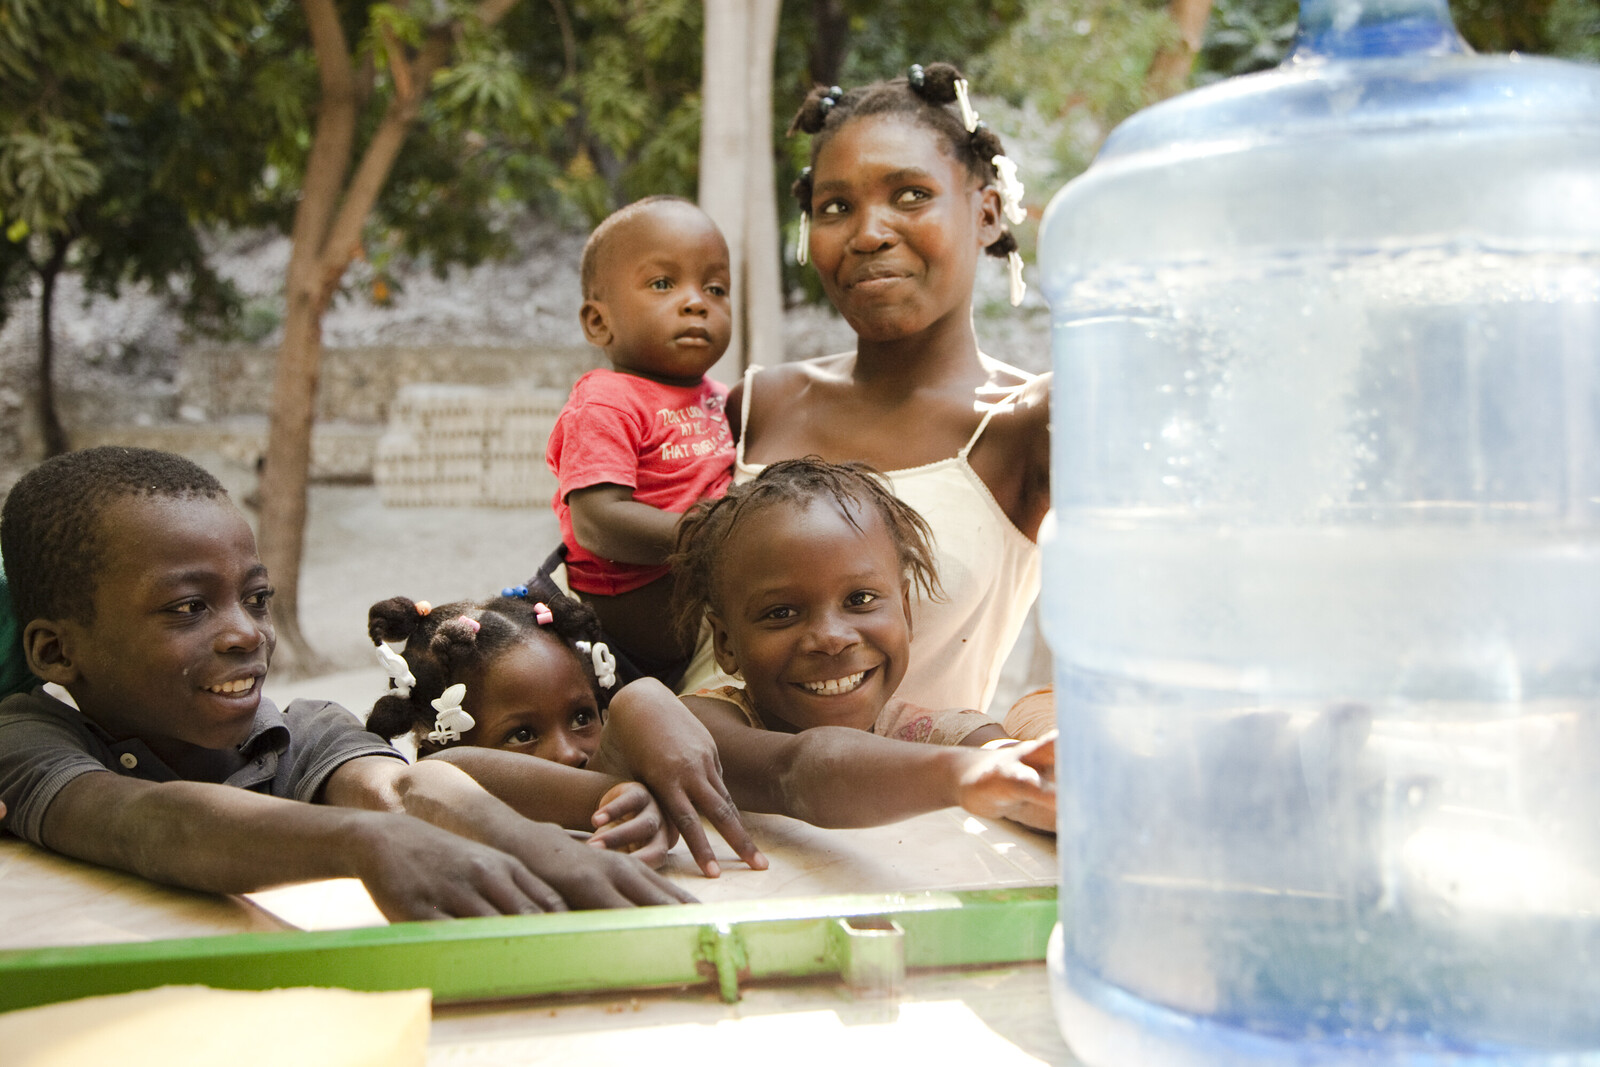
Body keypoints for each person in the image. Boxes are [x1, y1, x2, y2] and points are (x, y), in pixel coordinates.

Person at [0, 446, 694, 919]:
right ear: (57, 650)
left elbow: (409, 786)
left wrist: (598, 803)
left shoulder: (299, 729)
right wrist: (364, 842)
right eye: (189, 607)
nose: (247, 632)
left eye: (258, 597)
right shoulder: (26, 741)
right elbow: (148, 822)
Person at [718, 63, 1051, 716]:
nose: (868, 233)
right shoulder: (757, 403)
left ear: (986, 213)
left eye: (909, 195)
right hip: (701, 794)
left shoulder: (1028, 424)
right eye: (836, 207)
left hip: (918, 808)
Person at [666, 458, 1056, 832]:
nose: (831, 638)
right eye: (782, 612)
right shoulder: (696, 731)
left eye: (860, 600)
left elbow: (1018, 776)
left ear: (905, 610)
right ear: (725, 643)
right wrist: (961, 775)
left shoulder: (933, 734)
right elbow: (797, 772)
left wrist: (1036, 782)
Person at [364, 578, 767, 878]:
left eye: (581, 718)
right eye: (523, 734)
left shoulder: (638, 773)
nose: (570, 753)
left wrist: (646, 699)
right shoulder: (446, 823)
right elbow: (455, 770)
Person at [546, 195, 736, 688]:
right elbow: (597, 520)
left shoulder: (723, 400)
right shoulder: (607, 400)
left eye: (715, 288)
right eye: (662, 283)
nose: (697, 301)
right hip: (628, 661)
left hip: (711, 636)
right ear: (598, 321)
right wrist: (714, 537)